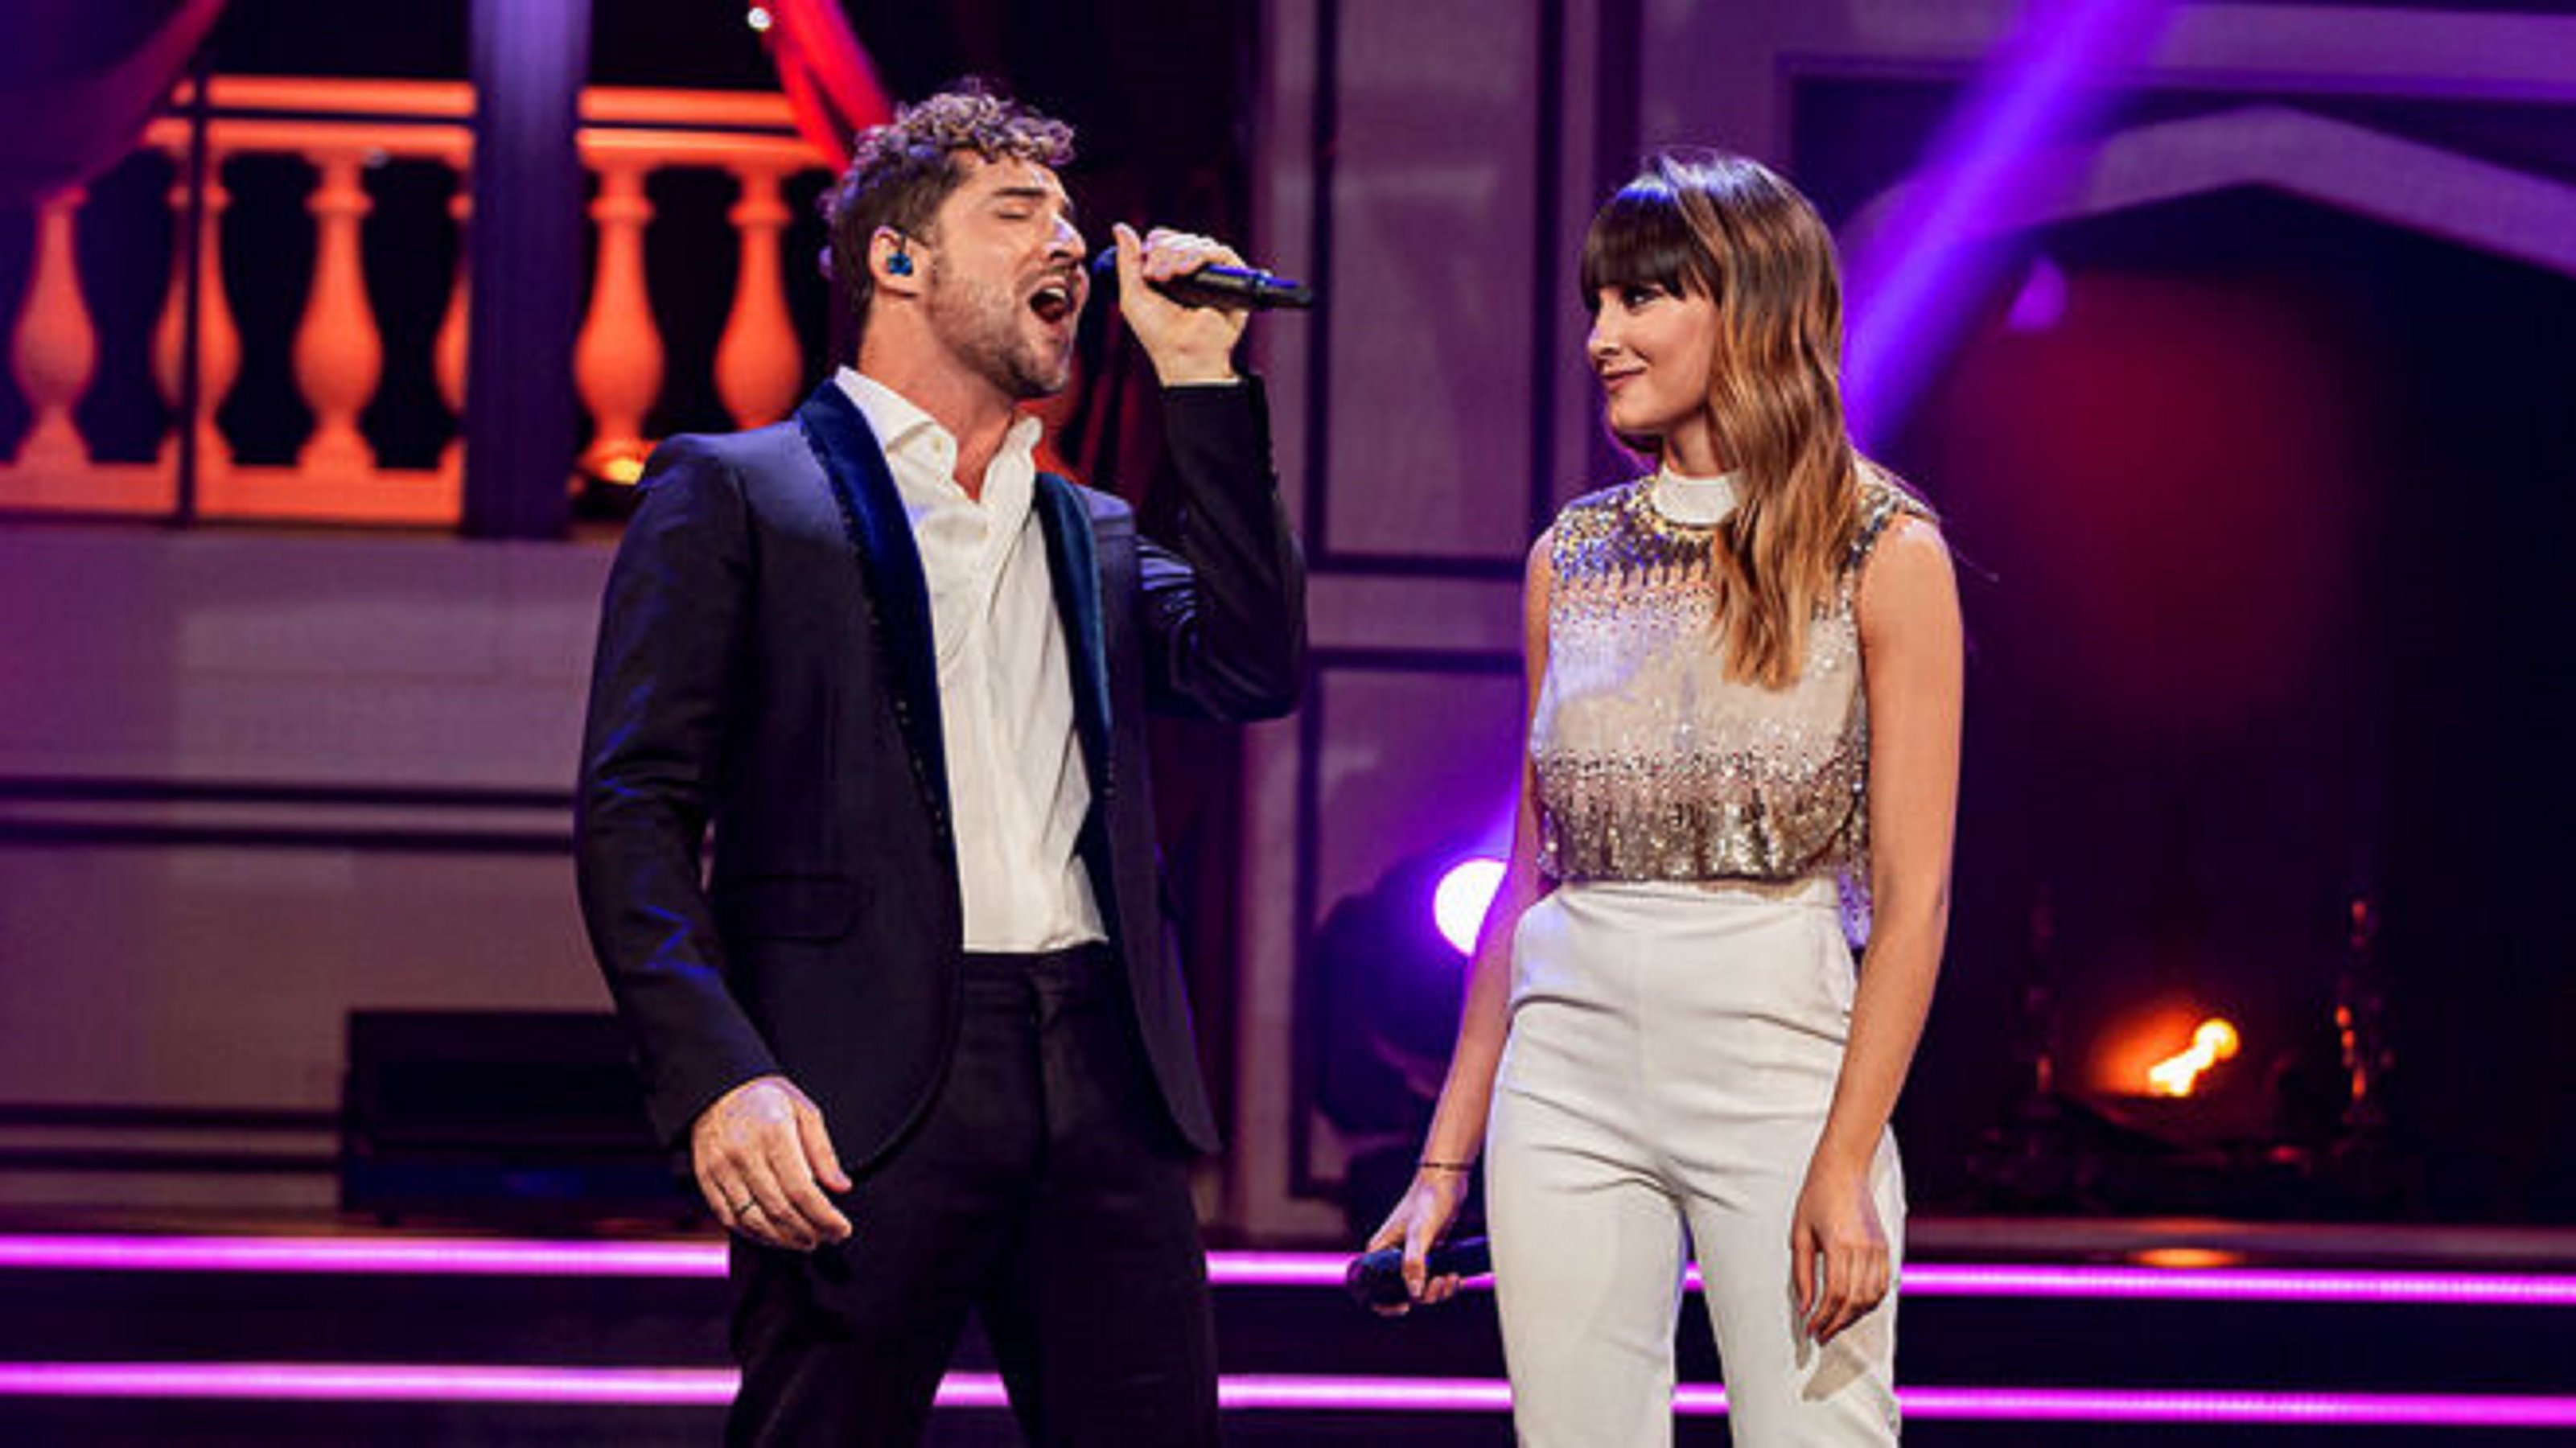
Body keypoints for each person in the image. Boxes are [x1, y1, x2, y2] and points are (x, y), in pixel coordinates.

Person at [574, 83, 1305, 1446]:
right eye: (1018, 213)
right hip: (858, 1085)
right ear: (897, 261)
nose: (1068, 246)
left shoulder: (1086, 526)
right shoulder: (741, 489)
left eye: (1070, 220)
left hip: (1102, 1070)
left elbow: (1251, 666)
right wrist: (719, 1073)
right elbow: (634, 814)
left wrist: (1204, 382)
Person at [1368, 149, 1962, 1446]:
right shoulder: (1569, 557)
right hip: (1563, 1070)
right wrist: (1442, 1161)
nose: (1601, 336)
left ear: (1749, 308)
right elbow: (1525, 881)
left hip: (1781, 1061)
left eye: (1640, 299)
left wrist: (1846, 1157)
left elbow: (1913, 900)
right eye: (1597, 302)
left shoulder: (1882, 549)